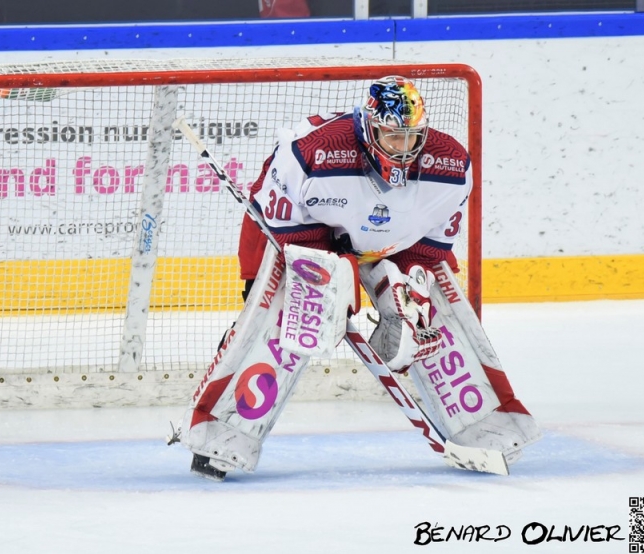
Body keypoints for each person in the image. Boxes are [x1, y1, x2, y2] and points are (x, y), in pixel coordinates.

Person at [180, 75, 473, 480]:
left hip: (382, 237)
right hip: (304, 234)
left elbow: (431, 246)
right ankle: (222, 436)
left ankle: (477, 419)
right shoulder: (311, 153)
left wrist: (408, 284)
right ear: (370, 129)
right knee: (291, 321)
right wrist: (336, 278)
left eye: (412, 138)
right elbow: (286, 231)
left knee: (427, 306)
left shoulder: (451, 163)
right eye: (393, 137)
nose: (404, 150)